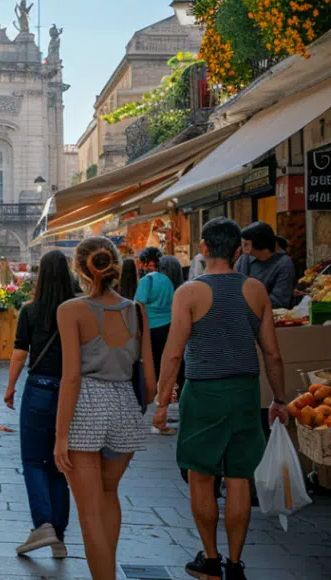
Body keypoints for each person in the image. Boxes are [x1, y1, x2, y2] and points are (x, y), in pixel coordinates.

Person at [153, 218, 287, 580]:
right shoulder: (256, 290)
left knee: (201, 476)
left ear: (204, 248)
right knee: (239, 476)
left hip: (204, 393)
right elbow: (272, 354)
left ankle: (210, 559)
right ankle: (235, 562)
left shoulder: (190, 292)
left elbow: (173, 352)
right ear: (237, 249)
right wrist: (280, 398)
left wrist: (163, 401)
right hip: (245, 390)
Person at [54, 237, 156, 580]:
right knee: (109, 494)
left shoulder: (71, 311)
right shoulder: (136, 310)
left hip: (87, 405)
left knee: (89, 511)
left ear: (79, 268)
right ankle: (108, 570)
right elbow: (151, 385)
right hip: (126, 405)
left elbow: (71, 378)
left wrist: (60, 435)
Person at [4, 250, 75, 559]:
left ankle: (43, 524)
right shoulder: (78, 309)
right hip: (71, 392)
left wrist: (9, 388)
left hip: (40, 389)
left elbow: (20, 353)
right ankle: (58, 535)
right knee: (60, 466)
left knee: (34, 461)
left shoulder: (31, 311)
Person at [134, 247, 176, 386]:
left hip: (150, 327)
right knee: (163, 360)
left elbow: (138, 304)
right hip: (167, 326)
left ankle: (152, 388)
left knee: (151, 361)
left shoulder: (146, 280)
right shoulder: (168, 281)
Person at [235, 221, 296, 309]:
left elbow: (279, 301)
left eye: (246, 244)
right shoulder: (244, 258)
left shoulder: (284, 264)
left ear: (260, 244)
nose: (242, 246)